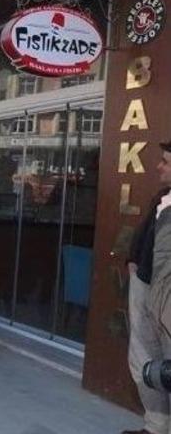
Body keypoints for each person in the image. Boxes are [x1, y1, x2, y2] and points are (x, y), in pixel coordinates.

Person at [123, 142, 171, 434]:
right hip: (145, 288)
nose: (159, 166)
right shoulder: (163, 197)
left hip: (164, 303)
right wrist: (133, 259)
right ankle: (156, 427)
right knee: (146, 365)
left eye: (166, 161)